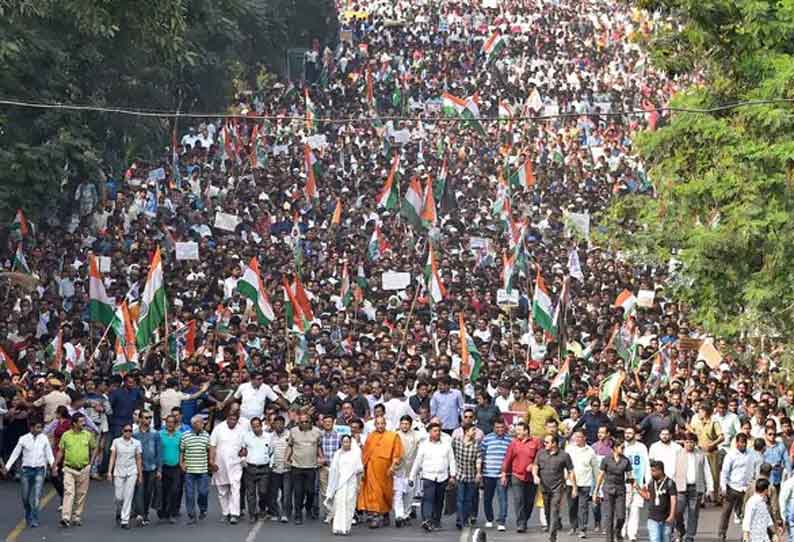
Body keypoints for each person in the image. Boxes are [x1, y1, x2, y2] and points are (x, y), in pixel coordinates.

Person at [1, 418, 55, 528]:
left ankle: (34, 518)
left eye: (41, 427)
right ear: (31, 428)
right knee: (25, 497)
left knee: (36, 496)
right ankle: (28, 512)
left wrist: (54, 466)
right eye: (38, 427)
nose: (40, 430)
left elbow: (49, 454)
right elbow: (15, 454)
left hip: (40, 469)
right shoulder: (23, 439)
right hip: (26, 470)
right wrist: (7, 467)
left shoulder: (44, 438)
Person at [357, 415, 403, 528]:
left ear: (385, 424)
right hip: (371, 469)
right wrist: (363, 468)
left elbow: (397, 454)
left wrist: (393, 466)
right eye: (378, 424)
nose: (380, 426)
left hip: (386, 471)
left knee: (385, 494)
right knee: (374, 493)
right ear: (374, 425)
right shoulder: (371, 436)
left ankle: (385, 512)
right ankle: (375, 517)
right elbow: (365, 453)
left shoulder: (393, 436)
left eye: (382, 423)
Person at [410, 422, 457, 532]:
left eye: (439, 431)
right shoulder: (424, 445)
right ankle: (427, 519)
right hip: (428, 476)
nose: (437, 433)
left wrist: (453, 475)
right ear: (429, 432)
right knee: (428, 499)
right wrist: (412, 476)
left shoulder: (446, 445)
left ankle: (436, 521)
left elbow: (451, 460)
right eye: (435, 431)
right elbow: (417, 461)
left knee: (439, 501)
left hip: (442, 477)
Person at [500, 420, 542, 533]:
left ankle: (525, 519)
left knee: (529, 501)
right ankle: (521, 523)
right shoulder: (513, 443)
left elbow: (540, 457)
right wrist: (504, 473)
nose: (516, 432)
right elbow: (507, 459)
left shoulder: (536, 442)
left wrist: (534, 465)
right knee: (518, 500)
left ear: (526, 431)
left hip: (532, 476)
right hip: (516, 475)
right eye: (516, 429)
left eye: (519, 430)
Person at [533, 433, 576, 542]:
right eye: (545, 442)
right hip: (544, 487)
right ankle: (550, 526)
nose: (545, 444)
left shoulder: (564, 455)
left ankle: (552, 535)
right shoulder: (541, 453)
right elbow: (535, 466)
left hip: (558, 488)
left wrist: (574, 487)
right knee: (547, 511)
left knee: (554, 510)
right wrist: (535, 475)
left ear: (554, 443)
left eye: (547, 442)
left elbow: (571, 471)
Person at [54, 412, 95, 528]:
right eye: (81, 422)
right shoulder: (66, 435)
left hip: (84, 468)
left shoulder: (87, 435)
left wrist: (91, 464)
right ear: (74, 423)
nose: (84, 424)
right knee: (69, 492)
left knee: (81, 494)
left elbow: (94, 448)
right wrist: (55, 465)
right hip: (69, 468)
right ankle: (65, 517)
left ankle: (77, 516)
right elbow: (61, 451)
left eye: (84, 421)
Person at [674, 432, 713, 542]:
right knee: (678, 511)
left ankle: (690, 535)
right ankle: (680, 530)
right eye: (686, 442)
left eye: (691, 442)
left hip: (696, 488)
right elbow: (672, 471)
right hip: (680, 487)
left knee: (693, 513)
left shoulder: (700, 455)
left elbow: (707, 471)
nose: (689, 444)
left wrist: (710, 488)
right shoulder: (678, 454)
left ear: (695, 443)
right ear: (683, 443)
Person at [209, 410, 246, 524]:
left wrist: (243, 455)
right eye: (230, 419)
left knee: (235, 488)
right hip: (220, 465)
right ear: (227, 418)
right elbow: (212, 446)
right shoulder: (218, 428)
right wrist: (211, 461)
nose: (232, 421)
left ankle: (234, 513)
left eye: (235, 419)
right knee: (222, 491)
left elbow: (244, 447)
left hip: (235, 464)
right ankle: (225, 513)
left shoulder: (241, 430)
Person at [593, 438, 634, 542]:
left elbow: (630, 476)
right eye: (622, 447)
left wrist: (633, 488)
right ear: (615, 448)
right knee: (609, 516)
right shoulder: (606, 459)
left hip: (620, 489)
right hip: (608, 488)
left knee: (621, 516)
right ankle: (609, 539)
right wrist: (596, 491)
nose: (623, 449)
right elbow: (601, 475)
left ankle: (618, 530)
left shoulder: (626, 460)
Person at [324, 434, 364, 536]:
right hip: (340, 483)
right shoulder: (338, 454)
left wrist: (359, 485)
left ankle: (346, 528)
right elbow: (334, 470)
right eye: (344, 442)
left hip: (351, 482)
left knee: (349, 504)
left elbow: (359, 470)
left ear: (351, 443)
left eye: (348, 441)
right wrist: (332, 486)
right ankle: (337, 528)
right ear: (341, 443)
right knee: (339, 504)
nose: (346, 444)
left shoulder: (355, 454)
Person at [719, 433, 754, 542]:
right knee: (726, 512)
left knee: (745, 513)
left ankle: (744, 535)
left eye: (744, 442)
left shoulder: (750, 454)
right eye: (740, 442)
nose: (742, 444)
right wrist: (723, 487)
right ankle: (722, 533)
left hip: (746, 488)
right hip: (732, 488)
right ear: (736, 443)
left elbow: (754, 468)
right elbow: (724, 472)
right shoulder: (731, 455)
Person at [108, 422, 143, 529]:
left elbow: (138, 459)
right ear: (122, 431)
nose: (128, 432)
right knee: (119, 497)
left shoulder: (136, 443)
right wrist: (109, 471)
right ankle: (119, 510)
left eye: (130, 431)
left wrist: (140, 474)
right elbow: (113, 457)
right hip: (119, 471)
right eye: (126, 430)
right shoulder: (116, 442)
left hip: (132, 471)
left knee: (128, 496)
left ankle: (125, 520)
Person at [289, 412, 322, 525]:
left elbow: (318, 447)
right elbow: (290, 446)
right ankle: (298, 515)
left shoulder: (317, 432)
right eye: (301, 422)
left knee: (310, 491)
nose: (304, 424)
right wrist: (286, 459)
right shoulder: (293, 431)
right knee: (298, 492)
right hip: (297, 466)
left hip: (311, 467)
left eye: (306, 422)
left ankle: (308, 507)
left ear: (310, 422)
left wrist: (321, 457)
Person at [567, 429, 600, 538]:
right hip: (571, 483)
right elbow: (565, 465)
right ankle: (573, 526)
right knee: (572, 506)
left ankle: (582, 529)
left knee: (583, 507)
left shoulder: (590, 451)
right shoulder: (570, 449)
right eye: (575, 437)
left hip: (585, 483)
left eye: (579, 437)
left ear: (585, 437)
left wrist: (597, 487)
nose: (577, 439)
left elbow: (595, 469)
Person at [480, 417, 511, 532]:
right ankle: (489, 519)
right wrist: (480, 472)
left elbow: (510, 458)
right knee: (487, 498)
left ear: (505, 427)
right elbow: (482, 455)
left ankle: (501, 521)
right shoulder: (487, 439)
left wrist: (506, 473)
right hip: (488, 474)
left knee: (503, 498)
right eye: (497, 427)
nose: (500, 429)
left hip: (502, 475)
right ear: (493, 428)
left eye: (502, 427)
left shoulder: (509, 440)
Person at [181, 414, 211, 525]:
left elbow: (209, 450)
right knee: (189, 494)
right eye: (200, 422)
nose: (203, 424)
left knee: (203, 492)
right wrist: (182, 463)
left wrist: (210, 464)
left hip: (202, 469)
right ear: (194, 424)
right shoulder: (185, 436)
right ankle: (191, 515)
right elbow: (182, 451)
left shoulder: (206, 435)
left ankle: (203, 509)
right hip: (189, 469)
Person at [622, 427, 651, 542]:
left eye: (630, 433)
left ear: (635, 435)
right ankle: (622, 531)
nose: (628, 435)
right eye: (626, 433)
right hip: (623, 483)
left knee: (635, 509)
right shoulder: (622, 447)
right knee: (623, 508)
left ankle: (632, 534)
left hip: (638, 483)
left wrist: (647, 482)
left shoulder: (641, 447)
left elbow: (647, 464)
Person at [242, 416, 273, 523]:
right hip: (250, 468)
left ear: (261, 425)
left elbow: (272, 451)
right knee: (250, 493)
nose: (256, 429)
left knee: (263, 491)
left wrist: (270, 463)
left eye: (258, 426)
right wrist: (243, 460)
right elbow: (242, 450)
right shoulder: (247, 437)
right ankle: (252, 514)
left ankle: (262, 509)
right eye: (253, 427)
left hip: (264, 469)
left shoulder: (268, 437)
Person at [133, 411, 161, 526]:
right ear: (140, 419)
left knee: (148, 492)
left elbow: (159, 452)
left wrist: (159, 469)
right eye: (146, 418)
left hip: (151, 467)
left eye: (150, 418)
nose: (148, 420)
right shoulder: (134, 434)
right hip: (137, 467)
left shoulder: (155, 434)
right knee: (139, 490)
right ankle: (140, 513)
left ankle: (145, 513)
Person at [452, 424, 481, 529]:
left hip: (470, 475)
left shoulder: (476, 444)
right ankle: (459, 520)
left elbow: (478, 459)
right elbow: (452, 455)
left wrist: (478, 472)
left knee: (468, 500)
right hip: (459, 474)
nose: (474, 432)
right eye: (473, 430)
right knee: (460, 499)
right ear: (466, 432)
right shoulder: (457, 442)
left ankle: (464, 518)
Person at [639, 460, 677, 542]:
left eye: (653, 471)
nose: (651, 473)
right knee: (655, 539)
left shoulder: (670, 483)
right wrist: (638, 489)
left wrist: (672, 515)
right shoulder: (651, 482)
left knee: (666, 539)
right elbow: (648, 497)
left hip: (666, 519)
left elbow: (673, 500)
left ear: (660, 471)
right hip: (652, 518)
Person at [393, 414, 419, 527]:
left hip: (411, 469)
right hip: (398, 469)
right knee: (397, 493)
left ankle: (406, 514)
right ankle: (398, 515)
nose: (404, 426)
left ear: (410, 425)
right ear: (399, 424)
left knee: (409, 493)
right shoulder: (395, 435)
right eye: (402, 423)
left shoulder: (416, 436)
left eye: (407, 424)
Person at [158, 414, 183, 523]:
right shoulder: (160, 434)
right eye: (168, 422)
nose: (170, 424)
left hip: (176, 467)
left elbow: (183, 450)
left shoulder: (180, 435)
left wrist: (183, 463)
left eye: (172, 422)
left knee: (175, 490)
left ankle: (172, 513)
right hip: (163, 467)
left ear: (175, 424)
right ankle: (163, 510)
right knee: (163, 491)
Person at [268, 415, 292, 522]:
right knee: (273, 493)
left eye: (280, 424)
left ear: (284, 424)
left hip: (287, 469)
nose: (278, 426)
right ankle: (274, 512)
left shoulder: (290, 434)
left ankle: (285, 514)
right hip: (274, 469)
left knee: (286, 493)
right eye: (276, 424)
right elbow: (268, 452)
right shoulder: (270, 436)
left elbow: (293, 448)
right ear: (273, 425)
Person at [318, 414, 341, 522]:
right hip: (324, 467)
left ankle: (336, 513)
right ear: (322, 423)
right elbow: (317, 448)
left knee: (335, 491)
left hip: (336, 468)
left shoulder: (339, 436)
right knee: (324, 492)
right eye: (325, 422)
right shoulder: (320, 436)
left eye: (329, 422)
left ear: (333, 423)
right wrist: (320, 458)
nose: (327, 424)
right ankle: (329, 513)